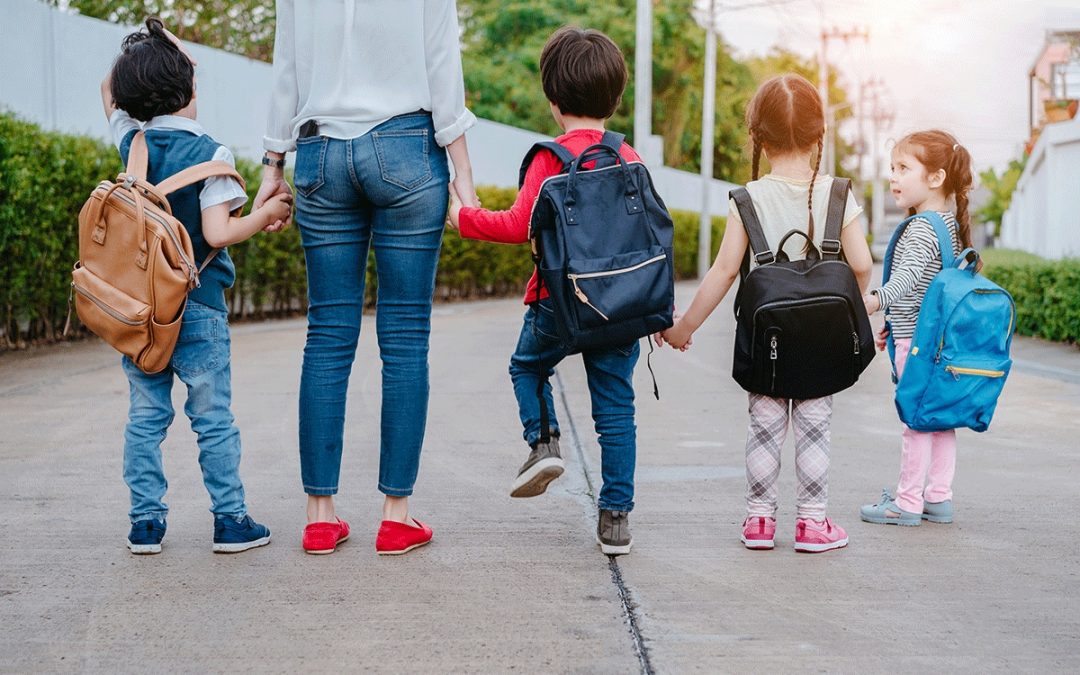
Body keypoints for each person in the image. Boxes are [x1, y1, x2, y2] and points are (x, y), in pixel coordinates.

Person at [255, 0, 478, 555]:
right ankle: (396, 516)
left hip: (320, 152)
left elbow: (286, 67)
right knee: (404, 337)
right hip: (406, 147)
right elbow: (442, 61)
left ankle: (319, 517)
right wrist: (464, 177)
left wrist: (272, 165)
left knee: (327, 334)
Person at [446, 26, 641, 556]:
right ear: (615, 97)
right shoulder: (630, 157)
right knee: (615, 409)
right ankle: (616, 518)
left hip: (556, 301)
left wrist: (463, 216)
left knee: (528, 366)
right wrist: (660, 314)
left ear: (553, 102)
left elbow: (517, 224)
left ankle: (543, 442)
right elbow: (651, 238)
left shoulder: (548, 158)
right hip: (620, 305)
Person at [102, 18, 293, 555]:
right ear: (189, 88)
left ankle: (145, 524)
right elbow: (218, 232)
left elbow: (109, 91)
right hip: (200, 308)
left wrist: (153, 56)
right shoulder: (213, 153)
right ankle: (230, 522)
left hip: (142, 313)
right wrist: (269, 210)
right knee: (212, 418)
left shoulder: (132, 144)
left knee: (145, 417)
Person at [660, 74, 873, 553]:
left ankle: (759, 522)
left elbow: (722, 272)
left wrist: (682, 327)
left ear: (757, 136)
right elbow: (860, 265)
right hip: (821, 342)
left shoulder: (747, 199)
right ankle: (812, 525)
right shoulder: (838, 193)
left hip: (768, 341)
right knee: (814, 431)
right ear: (820, 136)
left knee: (764, 429)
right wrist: (851, 308)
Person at [859, 130, 973, 527]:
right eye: (892, 168)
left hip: (919, 348)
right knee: (941, 421)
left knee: (915, 424)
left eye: (904, 168)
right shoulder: (949, 225)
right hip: (940, 345)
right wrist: (897, 322)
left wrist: (874, 301)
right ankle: (938, 498)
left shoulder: (922, 227)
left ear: (936, 178)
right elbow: (931, 288)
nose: (893, 177)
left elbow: (907, 278)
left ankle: (906, 503)